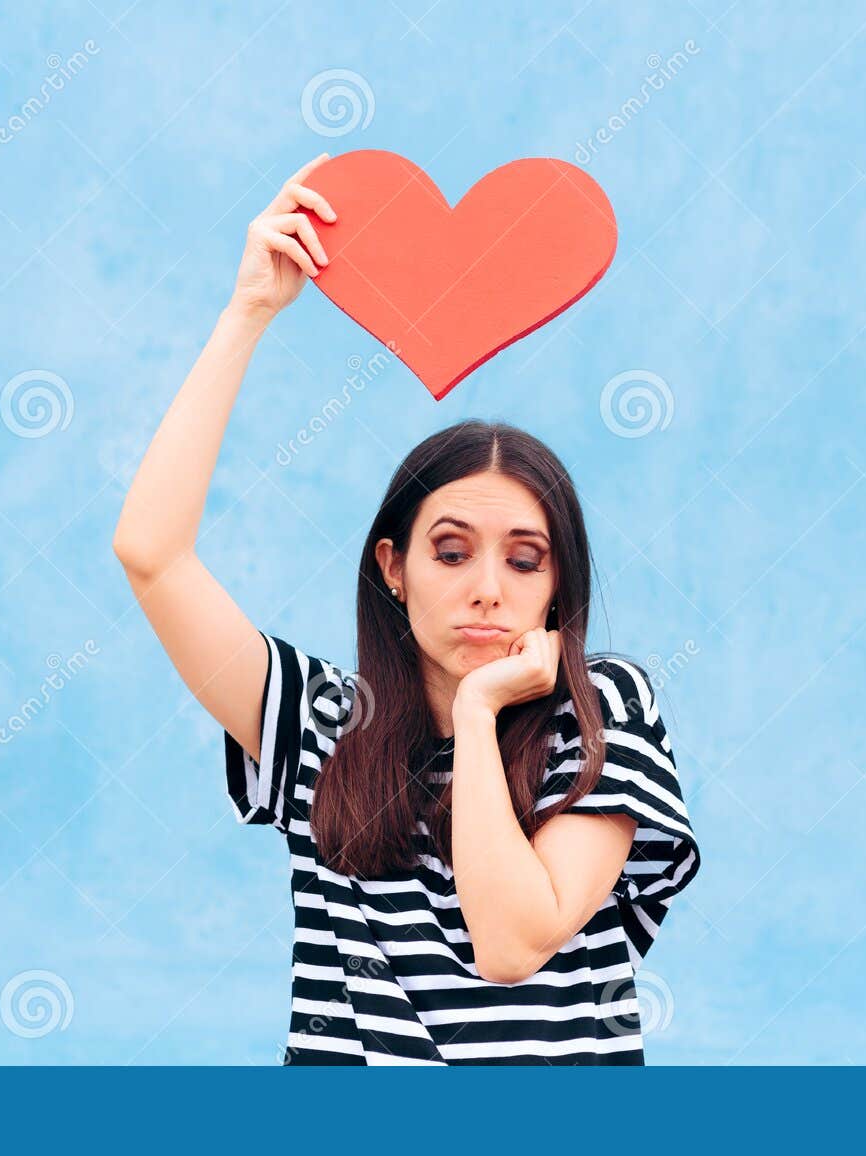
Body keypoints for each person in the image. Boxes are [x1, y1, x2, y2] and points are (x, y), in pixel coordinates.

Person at [112, 153, 702, 1064]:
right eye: (451, 550)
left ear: (559, 587)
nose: (487, 588)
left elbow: (513, 944)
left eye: (525, 559)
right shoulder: (319, 725)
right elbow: (151, 554)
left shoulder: (603, 710)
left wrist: (476, 715)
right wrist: (248, 314)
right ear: (393, 567)